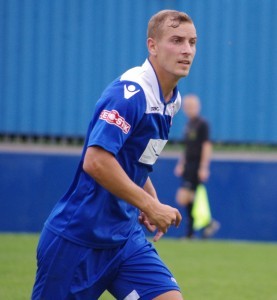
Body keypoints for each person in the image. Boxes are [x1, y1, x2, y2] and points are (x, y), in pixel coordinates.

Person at [32, 10, 197, 300]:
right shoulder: (129, 94)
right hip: (78, 240)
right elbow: (96, 161)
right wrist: (150, 204)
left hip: (124, 239)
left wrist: (149, 203)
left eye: (192, 42)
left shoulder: (172, 101)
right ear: (152, 46)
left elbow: (134, 161)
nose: (187, 50)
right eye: (176, 40)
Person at [174, 94, 219, 239]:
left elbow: (206, 145)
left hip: (196, 165)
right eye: (187, 107)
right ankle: (204, 225)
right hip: (188, 165)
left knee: (185, 197)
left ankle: (193, 231)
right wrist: (181, 164)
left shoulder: (202, 124)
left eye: (192, 106)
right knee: (187, 198)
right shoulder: (188, 125)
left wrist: (204, 167)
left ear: (198, 107)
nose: (189, 109)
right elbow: (186, 148)